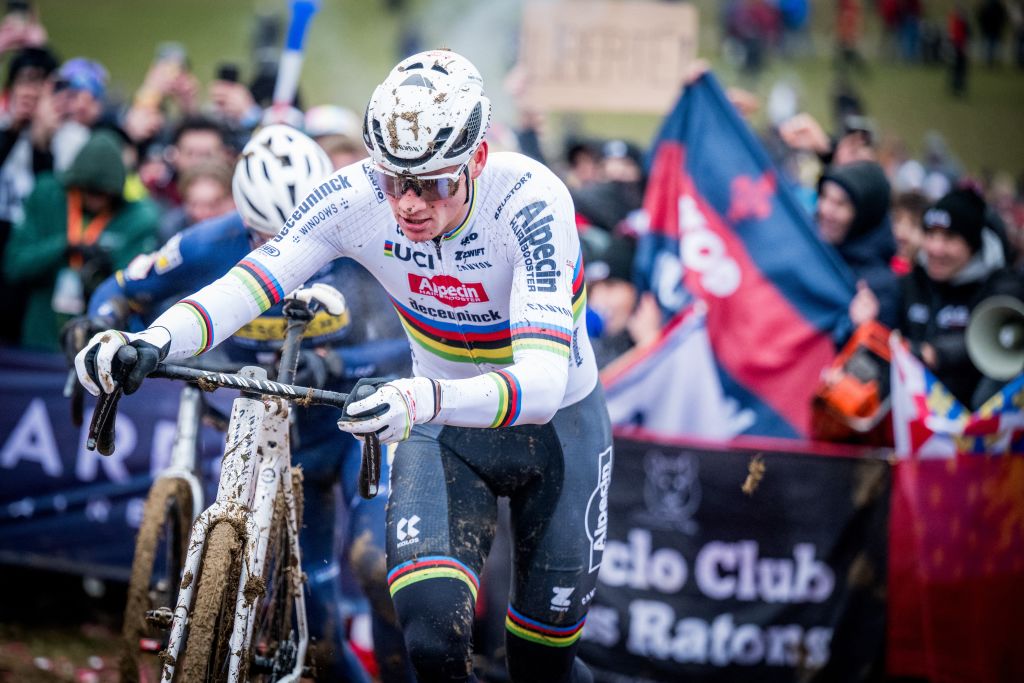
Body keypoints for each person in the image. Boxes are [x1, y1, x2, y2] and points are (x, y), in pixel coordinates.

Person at [75, 49, 610, 683]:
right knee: (433, 640)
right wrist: (152, 340)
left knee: (541, 665)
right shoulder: (353, 198)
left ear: (478, 161)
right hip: (447, 434)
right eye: (393, 181)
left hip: (557, 436)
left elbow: (544, 386)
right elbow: (249, 285)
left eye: (433, 183)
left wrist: (415, 399)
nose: (409, 203)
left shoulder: (530, 202)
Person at [72, 124, 413, 682]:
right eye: (264, 237)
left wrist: (340, 365)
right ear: (243, 218)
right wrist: (99, 326)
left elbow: (413, 342)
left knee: (378, 569)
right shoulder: (209, 243)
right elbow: (122, 288)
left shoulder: (366, 238)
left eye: (308, 237)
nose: (287, 252)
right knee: (316, 635)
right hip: (273, 436)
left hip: (354, 429)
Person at [3, 129, 160, 351]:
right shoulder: (48, 195)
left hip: (97, 343)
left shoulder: (137, 217)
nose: (97, 199)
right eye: (90, 191)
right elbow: (14, 265)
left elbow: (137, 292)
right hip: (39, 339)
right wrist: (63, 248)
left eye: (104, 193)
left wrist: (107, 270)